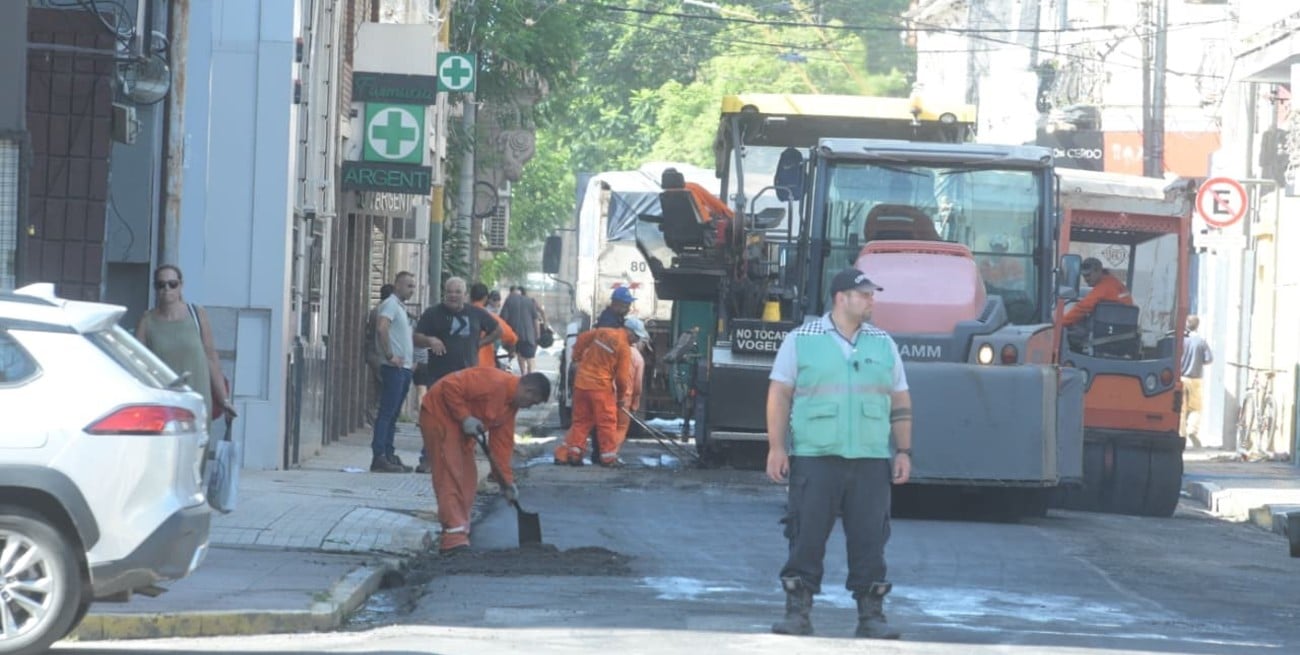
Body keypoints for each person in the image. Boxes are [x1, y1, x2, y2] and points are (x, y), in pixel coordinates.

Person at [765, 268, 912, 640]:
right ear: (841, 297)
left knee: (870, 540)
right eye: (864, 294)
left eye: (871, 295)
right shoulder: (802, 340)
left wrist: (904, 450)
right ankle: (798, 613)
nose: (871, 300)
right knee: (806, 535)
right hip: (816, 456)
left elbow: (900, 399)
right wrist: (777, 447)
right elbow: (779, 395)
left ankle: (871, 617)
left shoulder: (884, 344)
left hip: (870, 459)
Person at [419, 368, 551, 554]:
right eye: (532, 402)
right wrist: (464, 416)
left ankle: (460, 530)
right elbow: (450, 386)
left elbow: (501, 448)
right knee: (451, 474)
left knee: (468, 478)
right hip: (440, 415)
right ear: (528, 390)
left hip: (461, 428)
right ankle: (453, 538)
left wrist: (506, 483)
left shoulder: (509, 409)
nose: (528, 407)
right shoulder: (493, 380)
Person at [413, 277, 502, 473]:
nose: (453, 295)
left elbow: (498, 330)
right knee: (435, 420)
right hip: (438, 376)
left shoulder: (476, 313)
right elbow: (416, 337)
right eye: (449, 291)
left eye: (457, 292)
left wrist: (481, 343)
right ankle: (428, 459)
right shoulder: (432, 314)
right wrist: (430, 340)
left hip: (467, 377)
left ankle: (459, 460)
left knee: (463, 420)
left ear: (465, 294)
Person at [136, 265, 237, 423]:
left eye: (172, 284)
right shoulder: (147, 321)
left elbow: (211, 358)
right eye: (161, 285)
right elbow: (136, 363)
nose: (167, 289)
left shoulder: (197, 314)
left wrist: (224, 400)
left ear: (181, 285)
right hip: (165, 405)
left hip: (197, 402)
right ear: (155, 287)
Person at [553, 322, 633, 467]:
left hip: (582, 383)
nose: (636, 342)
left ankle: (574, 454)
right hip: (601, 388)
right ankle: (608, 457)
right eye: (637, 338)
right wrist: (621, 398)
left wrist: (576, 358)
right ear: (631, 333)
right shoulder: (624, 348)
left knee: (581, 421)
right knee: (607, 423)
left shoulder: (603, 331)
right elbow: (622, 378)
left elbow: (582, 338)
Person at [367, 271, 417, 473]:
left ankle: (388, 453)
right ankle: (379, 455)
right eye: (408, 286)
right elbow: (382, 328)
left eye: (413, 286)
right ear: (397, 285)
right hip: (393, 368)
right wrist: (389, 355)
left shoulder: (400, 308)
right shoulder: (390, 304)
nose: (411, 290)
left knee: (393, 413)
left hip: (403, 369)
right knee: (387, 413)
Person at [613, 316, 650, 450]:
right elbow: (638, 386)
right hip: (625, 399)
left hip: (608, 395)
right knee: (621, 428)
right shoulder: (638, 358)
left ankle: (603, 454)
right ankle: (611, 455)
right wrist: (635, 404)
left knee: (607, 427)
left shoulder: (614, 348)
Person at [1063, 257, 1132, 327]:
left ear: (1098, 271)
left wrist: (1061, 322)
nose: (1086, 279)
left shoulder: (1105, 286)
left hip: (1114, 325)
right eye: (1084, 276)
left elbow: (1083, 307)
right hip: (1119, 322)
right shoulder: (1111, 281)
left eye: (1088, 275)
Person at [364, 284, 396, 426]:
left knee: (379, 388)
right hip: (380, 354)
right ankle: (380, 419)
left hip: (374, 353)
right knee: (386, 388)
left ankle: (377, 417)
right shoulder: (384, 311)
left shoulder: (376, 310)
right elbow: (382, 332)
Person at [1181, 315, 1213, 448]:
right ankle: (1192, 431)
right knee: (1195, 409)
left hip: (1181, 378)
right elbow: (1209, 359)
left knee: (1180, 409)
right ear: (1197, 325)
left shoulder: (1182, 340)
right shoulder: (1201, 341)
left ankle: (1181, 434)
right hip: (1196, 379)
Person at [470, 283, 517, 369]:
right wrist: (511, 350)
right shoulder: (489, 316)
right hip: (483, 367)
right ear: (486, 298)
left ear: (470, 297)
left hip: (461, 369)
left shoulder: (460, 315)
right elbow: (511, 337)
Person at [499, 285, 540, 374]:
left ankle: (523, 374)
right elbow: (535, 320)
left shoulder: (509, 300)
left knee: (520, 354)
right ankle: (529, 375)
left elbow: (503, 319)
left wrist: (503, 337)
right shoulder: (530, 301)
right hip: (529, 335)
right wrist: (537, 336)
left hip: (514, 334)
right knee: (530, 358)